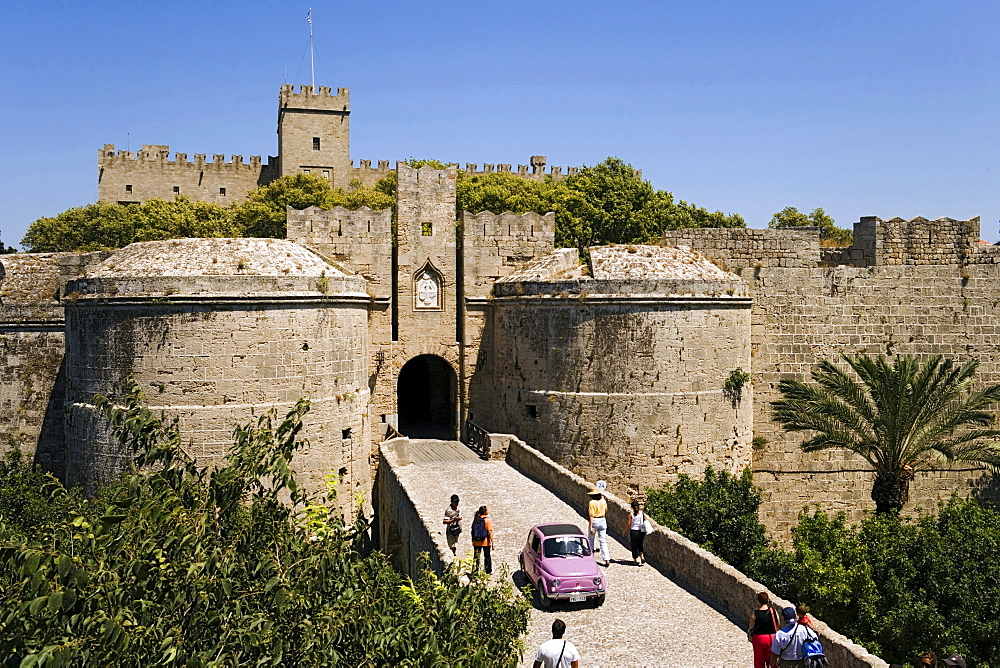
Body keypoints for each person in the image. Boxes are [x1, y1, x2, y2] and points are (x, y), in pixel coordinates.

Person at [747, 591, 780, 668]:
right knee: (772, 659)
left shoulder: (755, 613)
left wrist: (750, 637)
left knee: (759, 660)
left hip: (759, 638)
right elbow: (778, 623)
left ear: (758, 601)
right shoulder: (774, 611)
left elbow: (751, 627)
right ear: (768, 600)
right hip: (772, 637)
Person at [588, 487, 610, 566]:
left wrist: (591, 527)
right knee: (603, 540)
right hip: (603, 520)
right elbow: (606, 510)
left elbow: (591, 515)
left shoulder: (592, 503)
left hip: (595, 521)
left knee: (591, 539)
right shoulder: (603, 501)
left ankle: (591, 557)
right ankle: (606, 558)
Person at [471, 505, 494, 575]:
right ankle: (488, 571)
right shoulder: (487, 520)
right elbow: (490, 532)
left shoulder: (476, 519)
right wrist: (492, 542)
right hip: (485, 542)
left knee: (476, 557)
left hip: (476, 542)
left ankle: (475, 571)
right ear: (484, 512)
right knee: (487, 556)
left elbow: (472, 530)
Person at [626, 499, 648, 565]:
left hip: (634, 531)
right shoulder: (642, 514)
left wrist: (624, 531)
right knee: (640, 544)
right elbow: (646, 520)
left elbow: (628, 524)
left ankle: (635, 560)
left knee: (634, 545)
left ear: (632, 507)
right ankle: (642, 556)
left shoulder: (631, 515)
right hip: (641, 531)